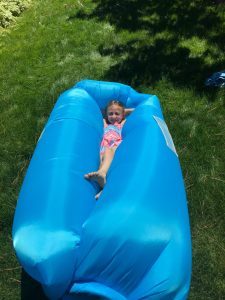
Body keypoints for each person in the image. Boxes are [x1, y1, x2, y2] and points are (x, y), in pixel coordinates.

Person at [84, 100, 133, 199]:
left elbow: (136, 111)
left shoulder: (123, 122)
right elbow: (96, 111)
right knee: (103, 159)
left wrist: (125, 111)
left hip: (116, 145)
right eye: (110, 114)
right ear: (106, 114)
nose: (114, 116)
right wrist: (115, 112)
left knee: (109, 154)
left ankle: (102, 174)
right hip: (104, 146)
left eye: (117, 114)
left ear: (122, 115)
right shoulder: (104, 123)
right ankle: (105, 187)